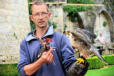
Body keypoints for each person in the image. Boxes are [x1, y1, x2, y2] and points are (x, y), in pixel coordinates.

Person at [17, 2, 89, 76]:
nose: (40, 17)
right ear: (32, 18)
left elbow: (69, 66)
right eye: (37, 14)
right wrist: (41, 61)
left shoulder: (61, 39)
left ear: (49, 15)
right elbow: (22, 72)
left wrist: (78, 67)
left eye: (43, 13)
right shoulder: (25, 43)